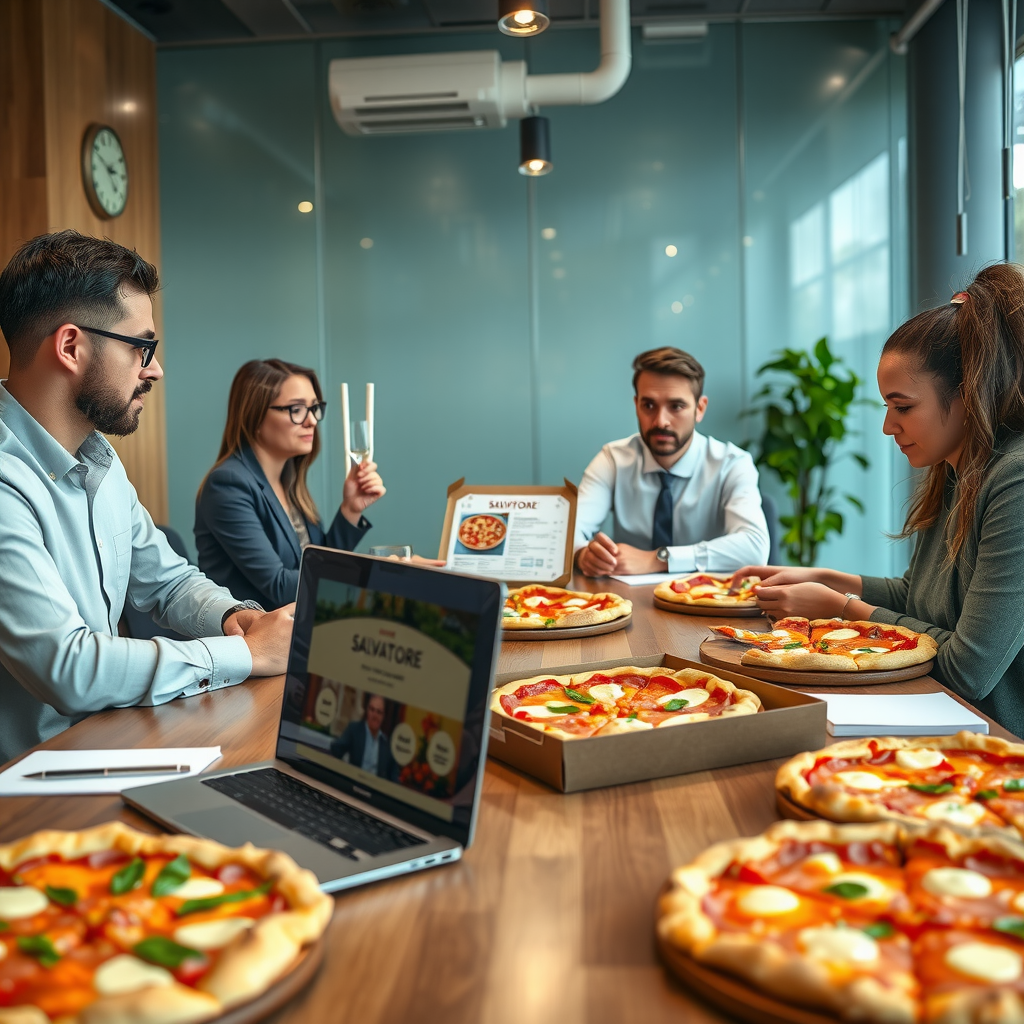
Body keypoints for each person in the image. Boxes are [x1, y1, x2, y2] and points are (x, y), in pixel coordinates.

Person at [0, 230, 295, 762]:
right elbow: (68, 667)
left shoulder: (101, 462)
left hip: (109, 744)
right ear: (71, 347)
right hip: (33, 784)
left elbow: (168, 581)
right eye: (142, 347)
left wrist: (234, 617)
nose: (155, 368)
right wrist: (245, 653)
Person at [729, 264, 1024, 736]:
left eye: (903, 407)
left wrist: (841, 607)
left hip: (992, 741)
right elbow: (917, 598)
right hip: (938, 714)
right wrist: (823, 578)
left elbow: (968, 668)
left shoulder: (1015, 480)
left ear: (969, 394)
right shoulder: (955, 469)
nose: (889, 427)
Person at [195, 359, 385, 610]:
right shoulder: (228, 485)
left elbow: (317, 564)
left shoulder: (290, 482)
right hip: (254, 633)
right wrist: (376, 572)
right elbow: (280, 586)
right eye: (297, 409)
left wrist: (351, 509)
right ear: (255, 416)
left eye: (314, 408)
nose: (312, 421)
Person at [574, 346, 769, 576]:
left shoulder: (732, 464)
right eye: (649, 405)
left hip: (707, 594)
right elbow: (566, 533)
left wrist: (657, 559)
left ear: (700, 409)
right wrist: (582, 555)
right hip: (625, 596)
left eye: (676, 406)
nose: (661, 421)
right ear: (636, 405)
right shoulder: (613, 460)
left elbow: (754, 548)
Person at [329, 693, 396, 780]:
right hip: (354, 782)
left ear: (383, 716)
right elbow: (336, 750)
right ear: (367, 710)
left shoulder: (387, 744)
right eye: (372, 709)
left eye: (379, 712)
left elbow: (393, 775)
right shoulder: (354, 730)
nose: (374, 715)